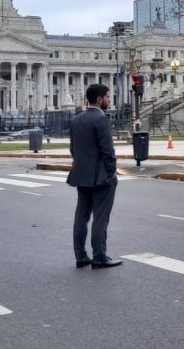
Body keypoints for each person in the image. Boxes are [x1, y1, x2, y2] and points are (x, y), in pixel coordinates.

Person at [66, 84, 121, 269]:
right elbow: (108, 151)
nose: (109, 100)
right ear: (99, 99)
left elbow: (73, 148)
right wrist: (112, 171)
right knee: (100, 217)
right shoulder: (101, 119)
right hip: (101, 176)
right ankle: (99, 256)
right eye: (107, 97)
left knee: (81, 215)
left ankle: (81, 256)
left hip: (81, 174)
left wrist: (82, 165)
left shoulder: (77, 120)